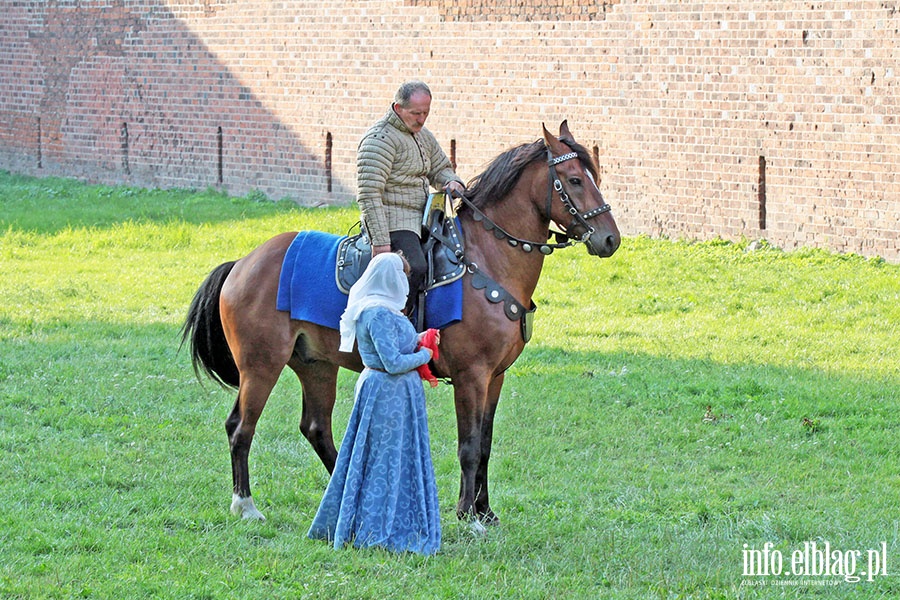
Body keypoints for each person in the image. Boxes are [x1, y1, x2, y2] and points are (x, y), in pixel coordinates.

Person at [308, 253, 442, 555]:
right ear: (388, 278)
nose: (405, 283)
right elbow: (392, 362)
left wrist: (422, 338)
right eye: (401, 276)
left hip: (398, 397)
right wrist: (426, 356)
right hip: (386, 395)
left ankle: (393, 517)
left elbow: (396, 344)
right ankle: (376, 526)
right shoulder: (377, 314)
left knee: (395, 457)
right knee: (384, 459)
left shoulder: (385, 310)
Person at [356, 80, 466, 316]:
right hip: (394, 219)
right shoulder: (380, 139)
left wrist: (451, 181)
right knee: (415, 266)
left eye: (426, 112)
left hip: (425, 216)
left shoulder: (423, 136)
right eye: (416, 113)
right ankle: (397, 320)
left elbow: (440, 168)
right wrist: (380, 242)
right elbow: (369, 193)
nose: (422, 119)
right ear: (398, 108)